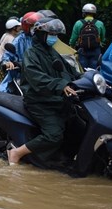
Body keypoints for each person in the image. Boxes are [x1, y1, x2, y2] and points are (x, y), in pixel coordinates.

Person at [7, 18, 80, 165]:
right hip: (39, 101)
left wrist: (87, 78)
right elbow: (37, 78)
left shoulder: (53, 52)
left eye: (56, 35)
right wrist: (61, 85)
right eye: (51, 34)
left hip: (56, 99)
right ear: (41, 34)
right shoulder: (31, 53)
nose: (54, 38)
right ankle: (16, 153)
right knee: (54, 135)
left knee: (77, 125)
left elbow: (69, 70)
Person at [0, 11, 42, 93]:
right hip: (23, 76)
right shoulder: (20, 40)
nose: (36, 27)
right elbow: (8, 56)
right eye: (33, 26)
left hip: (40, 75)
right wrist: (7, 62)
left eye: (38, 25)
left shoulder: (42, 39)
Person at [69, 3, 106, 70]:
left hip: (82, 50)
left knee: (82, 70)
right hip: (95, 49)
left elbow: (73, 38)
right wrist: (101, 43)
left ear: (84, 13)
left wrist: (72, 46)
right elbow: (103, 38)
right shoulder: (100, 23)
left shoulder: (78, 23)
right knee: (95, 70)